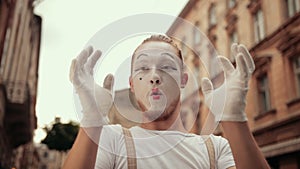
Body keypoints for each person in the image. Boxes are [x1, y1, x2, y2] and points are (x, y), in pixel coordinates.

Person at [63, 34, 270, 169]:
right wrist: (91, 120)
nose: (154, 77)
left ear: (183, 79)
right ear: (132, 84)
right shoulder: (111, 140)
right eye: (143, 68)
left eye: (167, 67)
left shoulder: (216, 149)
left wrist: (233, 119)